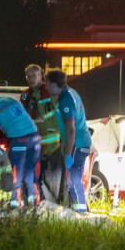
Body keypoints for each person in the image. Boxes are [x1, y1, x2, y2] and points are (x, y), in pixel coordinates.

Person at [45, 70, 93, 213]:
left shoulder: (65, 99)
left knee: (73, 180)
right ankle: (79, 210)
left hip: (76, 145)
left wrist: (67, 153)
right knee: (73, 179)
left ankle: (80, 213)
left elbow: (71, 129)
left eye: (47, 84)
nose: (46, 87)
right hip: (80, 143)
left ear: (54, 84)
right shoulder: (70, 93)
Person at [21, 64, 65, 204]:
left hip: (53, 146)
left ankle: (54, 209)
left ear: (41, 75)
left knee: (53, 181)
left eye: (34, 75)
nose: (31, 79)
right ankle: (41, 207)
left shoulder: (50, 92)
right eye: (28, 76)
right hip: (35, 147)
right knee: (36, 181)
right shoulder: (25, 96)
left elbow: (59, 114)